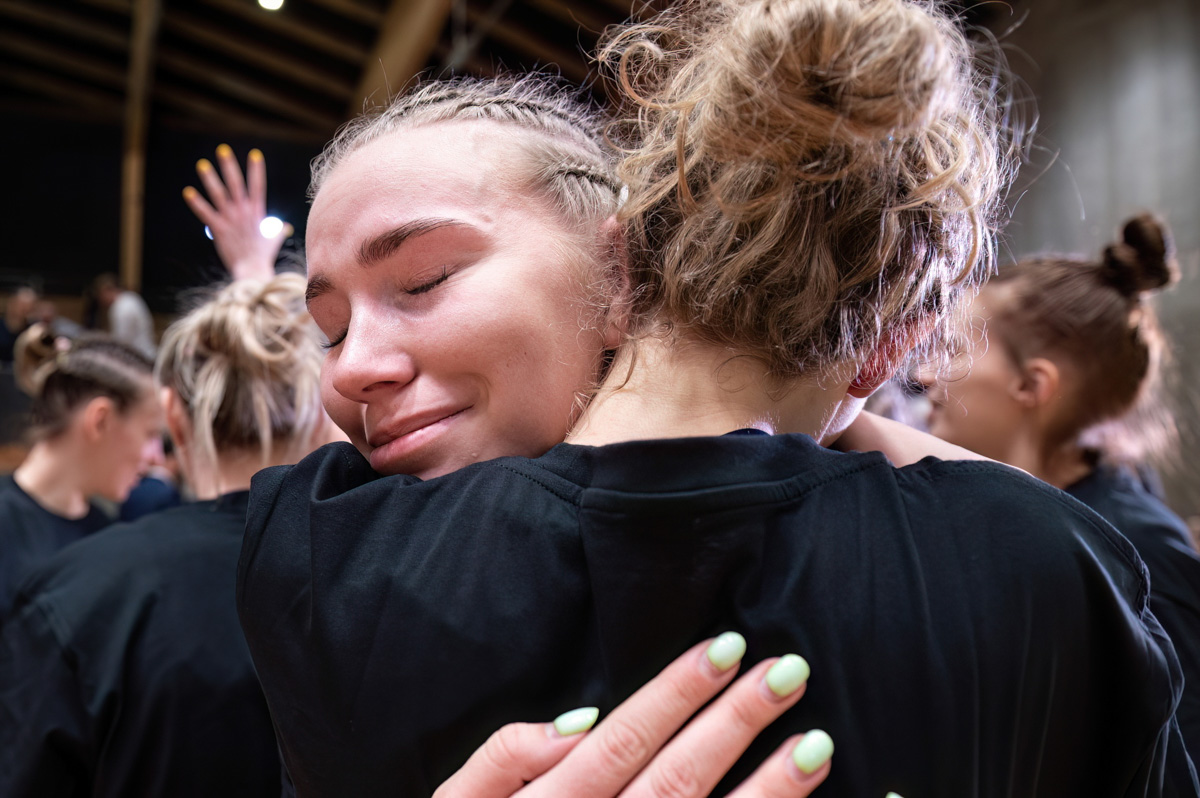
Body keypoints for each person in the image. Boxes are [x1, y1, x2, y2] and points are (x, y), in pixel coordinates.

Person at [236, 0, 1196, 794]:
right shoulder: (1040, 564)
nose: (352, 367)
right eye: (324, 329)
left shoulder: (319, 557)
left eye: (424, 280)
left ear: (622, 265)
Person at [921, 213, 1200, 765]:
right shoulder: (1017, 510)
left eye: (954, 349)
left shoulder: (1140, 551)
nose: (928, 374)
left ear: (1033, 384)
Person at [0, 335, 160, 619]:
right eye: (150, 434)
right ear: (101, 420)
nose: (155, 457)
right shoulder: (8, 525)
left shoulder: (106, 534)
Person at [92, 273, 157, 359]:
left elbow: (121, 341)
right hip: (148, 353)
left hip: (139, 358)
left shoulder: (121, 307)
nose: (100, 300)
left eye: (100, 295)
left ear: (106, 290)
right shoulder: (131, 297)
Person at [0, 286, 37, 362]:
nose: (27, 310)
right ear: (11, 304)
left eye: (30, 307)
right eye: (23, 306)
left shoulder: (34, 330)